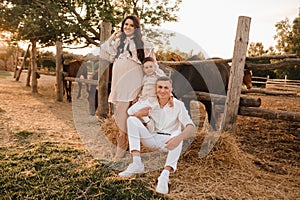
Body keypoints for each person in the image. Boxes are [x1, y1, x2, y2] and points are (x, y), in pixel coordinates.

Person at [118, 76, 196, 194]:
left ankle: (165, 175)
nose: (162, 90)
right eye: (160, 87)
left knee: (178, 132)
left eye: (166, 88)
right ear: (156, 88)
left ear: (171, 89)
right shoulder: (150, 101)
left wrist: (178, 139)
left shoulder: (178, 105)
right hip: (152, 138)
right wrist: (141, 113)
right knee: (131, 120)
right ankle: (137, 162)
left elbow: (191, 128)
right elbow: (130, 112)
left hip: (169, 142)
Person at [100, 15, 163, 159]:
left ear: (136, 28)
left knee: (127, 116)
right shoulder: (118, 44)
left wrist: (159, 81)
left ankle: (122, 151)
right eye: (125, 25)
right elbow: (104, 51)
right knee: (121, 116)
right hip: (119, 85)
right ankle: (128, 147)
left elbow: (152, 64)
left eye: (131, 25)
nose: (127, 27)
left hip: (134, 85)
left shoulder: (143, 44)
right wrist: (113, 36)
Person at [128, 56, 166, 132]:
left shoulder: (157, 77)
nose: (149, 69)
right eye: (146, 68)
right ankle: (147, 121)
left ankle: (151, 127)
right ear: (143, 69)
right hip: (143, 100)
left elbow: (164, 85)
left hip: (152, 100)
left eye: (151, 67)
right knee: (130, 111)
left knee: (157, 122)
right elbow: (141, 89)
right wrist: (137, 98)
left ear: (155, 67)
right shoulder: (144, 78)